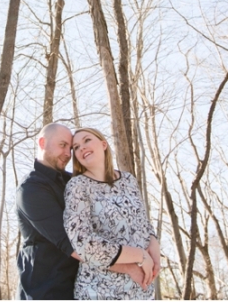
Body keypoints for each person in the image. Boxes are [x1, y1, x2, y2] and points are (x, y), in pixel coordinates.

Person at [16, 123, 144, 300]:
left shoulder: (74, 181)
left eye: (71, 148)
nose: (68, 154)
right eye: (63, 145)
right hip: (46, 290)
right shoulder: (31, 190)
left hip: (83, 286)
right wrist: (129, 267)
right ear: (42, 142)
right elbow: (73, 244)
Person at [64, 127, 161, 300]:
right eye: (76, 147)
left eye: (87, 140)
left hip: (141, 289)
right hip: (100, 290)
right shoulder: (77, 186)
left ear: (103, 144)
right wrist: (139, 255)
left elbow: (142, 223)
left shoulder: (128, 180)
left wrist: (154, 244)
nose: (82, 148)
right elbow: (83, 243)